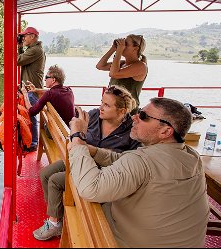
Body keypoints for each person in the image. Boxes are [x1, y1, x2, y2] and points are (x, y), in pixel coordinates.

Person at [68, 97, 209, 247]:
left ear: (165, 131)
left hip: (131, 243)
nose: (134, 117)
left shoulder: (141, 162)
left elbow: (90, 188)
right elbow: (124, 160)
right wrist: (93, 151)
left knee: (80, 199)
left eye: (143, 116)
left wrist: (78, 137)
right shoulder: (192, 156)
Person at [33, 85, 141, 241]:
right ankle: (56, 214)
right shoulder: (94, 116)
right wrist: (77, 131)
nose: (100, 107)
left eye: (107, 105)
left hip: (103, 172)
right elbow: (76, 134)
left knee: (55, 181)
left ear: (122, 111)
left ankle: (55, 224)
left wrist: (88, 148)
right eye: (101, 102)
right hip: (81, 160)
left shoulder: (131, 130)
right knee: (45, 173)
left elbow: (129, 159)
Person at [96, 34, 147, 112]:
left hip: (127, 112)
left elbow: (113, 74)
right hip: (113, 109)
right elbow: (100, 66)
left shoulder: (140, 66)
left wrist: (119, 51)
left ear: (135, 48)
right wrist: (113, 48)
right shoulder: (121, 63)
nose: (122, 45)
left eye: (126, 44)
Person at [21, 64, 75, 131]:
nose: (44, 80)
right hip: (69, 129)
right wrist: (36, 90)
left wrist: (25, 94)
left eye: (46, 77)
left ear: (53, 80)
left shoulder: (50, 94)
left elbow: (31, 112)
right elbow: (54, 91)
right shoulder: (68, 90)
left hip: (56, 132)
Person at [17, 26, 46, 151]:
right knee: (30, 116)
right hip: (30, 88)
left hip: (32, 89)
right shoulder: (34, 49)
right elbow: (21, 60)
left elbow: (17, 60)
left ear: (32, 37)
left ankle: (33, 143)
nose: (23, 38)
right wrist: (20, 47)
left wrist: (18, 47)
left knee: (31, 116)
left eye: (25, 36)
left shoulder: (35, 50)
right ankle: (31, 141)